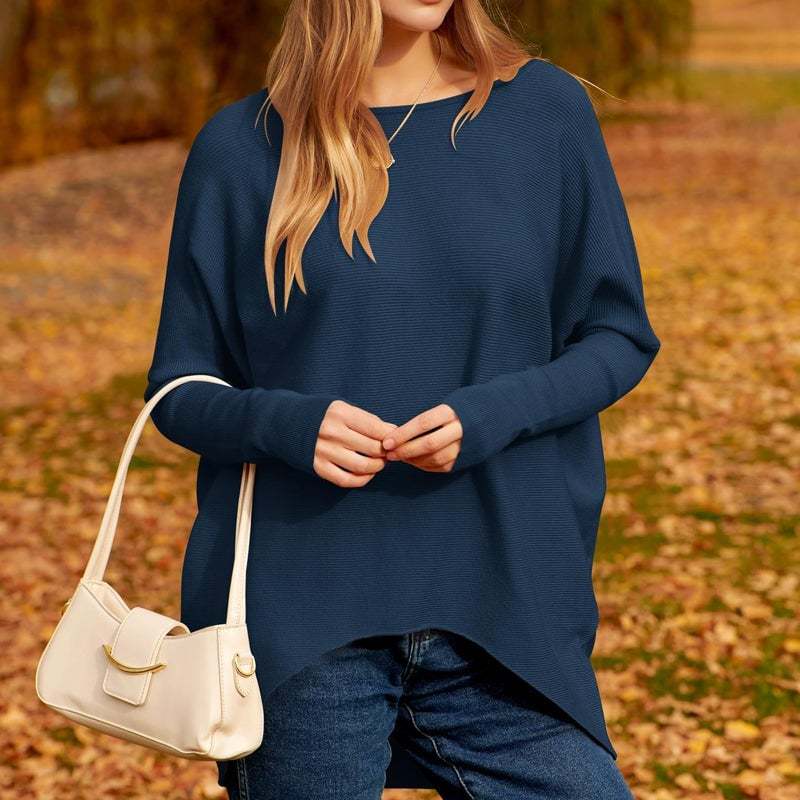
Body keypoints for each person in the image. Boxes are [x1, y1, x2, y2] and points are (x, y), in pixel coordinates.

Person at [143, 1, 661, 797]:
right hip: (302, 618)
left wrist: (494, 412)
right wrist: (287, 424)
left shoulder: (544, 112)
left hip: (502, 606)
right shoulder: (243, 146)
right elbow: (178, 388)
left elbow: (619, 336)